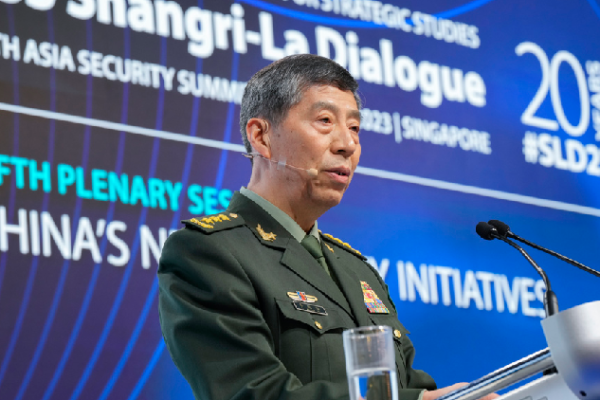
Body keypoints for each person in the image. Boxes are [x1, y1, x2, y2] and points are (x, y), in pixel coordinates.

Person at [158, 54, 498, 400]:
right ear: (261, 136)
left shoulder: (358, 271)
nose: (347, 144)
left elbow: (406, 387)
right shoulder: (208, 253)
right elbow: (254, 392)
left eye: (354, 128)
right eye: (324, 121)